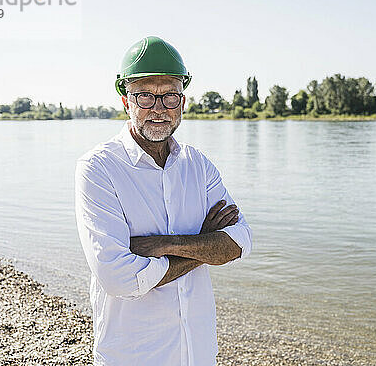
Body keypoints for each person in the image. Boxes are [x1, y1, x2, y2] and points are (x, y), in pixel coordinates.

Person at [75, 36, 253, 366]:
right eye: (145, 95)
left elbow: (240, 242)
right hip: (133, 356)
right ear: (126, 102)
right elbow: (118, 277)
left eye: (169, 95)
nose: (159, 109)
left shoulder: (198, 166)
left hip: (197, 353)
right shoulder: (99, 169)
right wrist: (203, 248)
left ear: (182, 101)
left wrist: (161, 244)